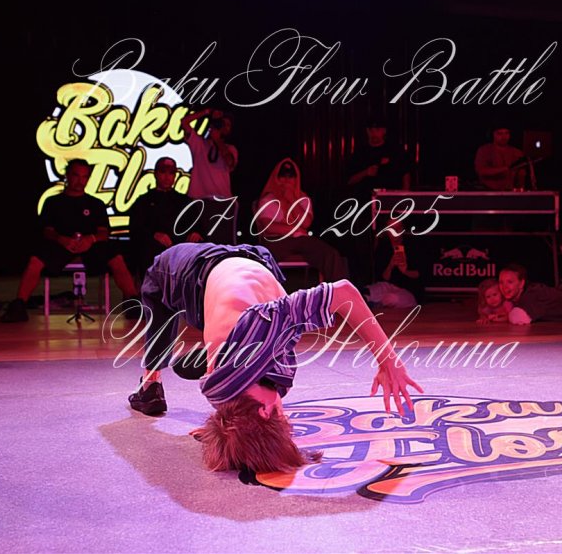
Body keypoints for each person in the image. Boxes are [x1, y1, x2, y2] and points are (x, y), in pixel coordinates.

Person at [126, 243, 423, 474]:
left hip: (201, 270)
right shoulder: (218, 390)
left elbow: (345, 292)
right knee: (162, 286)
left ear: (267, 411)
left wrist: (388, 362)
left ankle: (151, 383)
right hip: (250, 267)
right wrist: (226, 432)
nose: (286, 416)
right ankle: (163, 375)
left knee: (157, 287)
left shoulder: (268, 324)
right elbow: (229, 408)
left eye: (283, 420)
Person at [1, 159, 137, 322]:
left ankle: (133, 303)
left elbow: (103, 232)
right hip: (61, 245)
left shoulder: (96, 204)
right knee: (35, 259)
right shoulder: (53, 202)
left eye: (84, 177)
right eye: (76, 175)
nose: (80, 181)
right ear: (67, 175)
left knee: (116, 257)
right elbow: (47, 230)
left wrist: (90, 239)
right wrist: (61, 239)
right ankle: (19, 305)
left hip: (90, 246)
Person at [254, 158, 348, 282]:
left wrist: (292, 200)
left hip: (301, 240)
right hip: (275, 240)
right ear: (276, 178)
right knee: (264, 258)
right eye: (282, 176)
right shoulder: (268, 199)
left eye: (291, 176)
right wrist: (295, 229)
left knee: (330, 255)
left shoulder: (303, 199)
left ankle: (340, 290)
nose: (286, 180)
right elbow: (269, 227)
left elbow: (306, 223)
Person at [127, 157, 202, 279]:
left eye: (171, 173)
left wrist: (196, 232)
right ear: (155, 174)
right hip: (153, 248)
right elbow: (136, 228)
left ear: (175, 176)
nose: (167, 177)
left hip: (181, 246)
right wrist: (154, 235)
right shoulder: (144, 201)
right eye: (163, 172)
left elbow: (198, 224)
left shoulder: (184, 201)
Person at [180, 108, 238, 244]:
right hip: (199, 201)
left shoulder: (231, 149)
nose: (224, 127)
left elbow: (230, 163)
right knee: (199, 243)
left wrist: (218, 141)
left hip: (223, 203)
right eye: (221, 123)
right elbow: (184, 122)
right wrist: (206, 112)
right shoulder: (199, 144)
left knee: (223, 244)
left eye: (227, 125)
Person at [498, 263, 562, 324]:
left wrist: (507, 316)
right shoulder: (529, 293)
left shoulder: (532, 295)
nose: (504, 287)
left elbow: (517, 317)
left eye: (510, 282)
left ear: (521, 283)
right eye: (501, 282)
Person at [346, 115, 411, 199]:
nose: (374, 133)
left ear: (384, 131)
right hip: (365, 200)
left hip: (390, 199)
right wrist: (366, 172)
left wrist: (405, 196)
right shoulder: (360, 152)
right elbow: (350, 180)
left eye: (377, 130)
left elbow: (406, 174)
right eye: (371, 130)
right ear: (367, 131)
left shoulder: (396, 151)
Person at [370, 219, 422, 307]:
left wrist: (405, 271)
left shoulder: (412, 245)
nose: (395, 232)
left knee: (392, 298)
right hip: (387, 287)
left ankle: (377, 303)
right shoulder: (383, 247)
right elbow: (382, 278)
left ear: (403, 229)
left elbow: (419, 274)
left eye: (398, 228)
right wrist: (390, 265)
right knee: (370, 291)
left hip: (408, 290)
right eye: (391, 229)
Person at [474, 126, 526, 191]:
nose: (504, 137)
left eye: (506, 133)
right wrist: (505, 169)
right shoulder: (484, 150)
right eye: (499, 133)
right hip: (488, 191)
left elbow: (521, 175)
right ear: (493, 135)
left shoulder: (516, 152)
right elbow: (481, 171)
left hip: (510, 191)